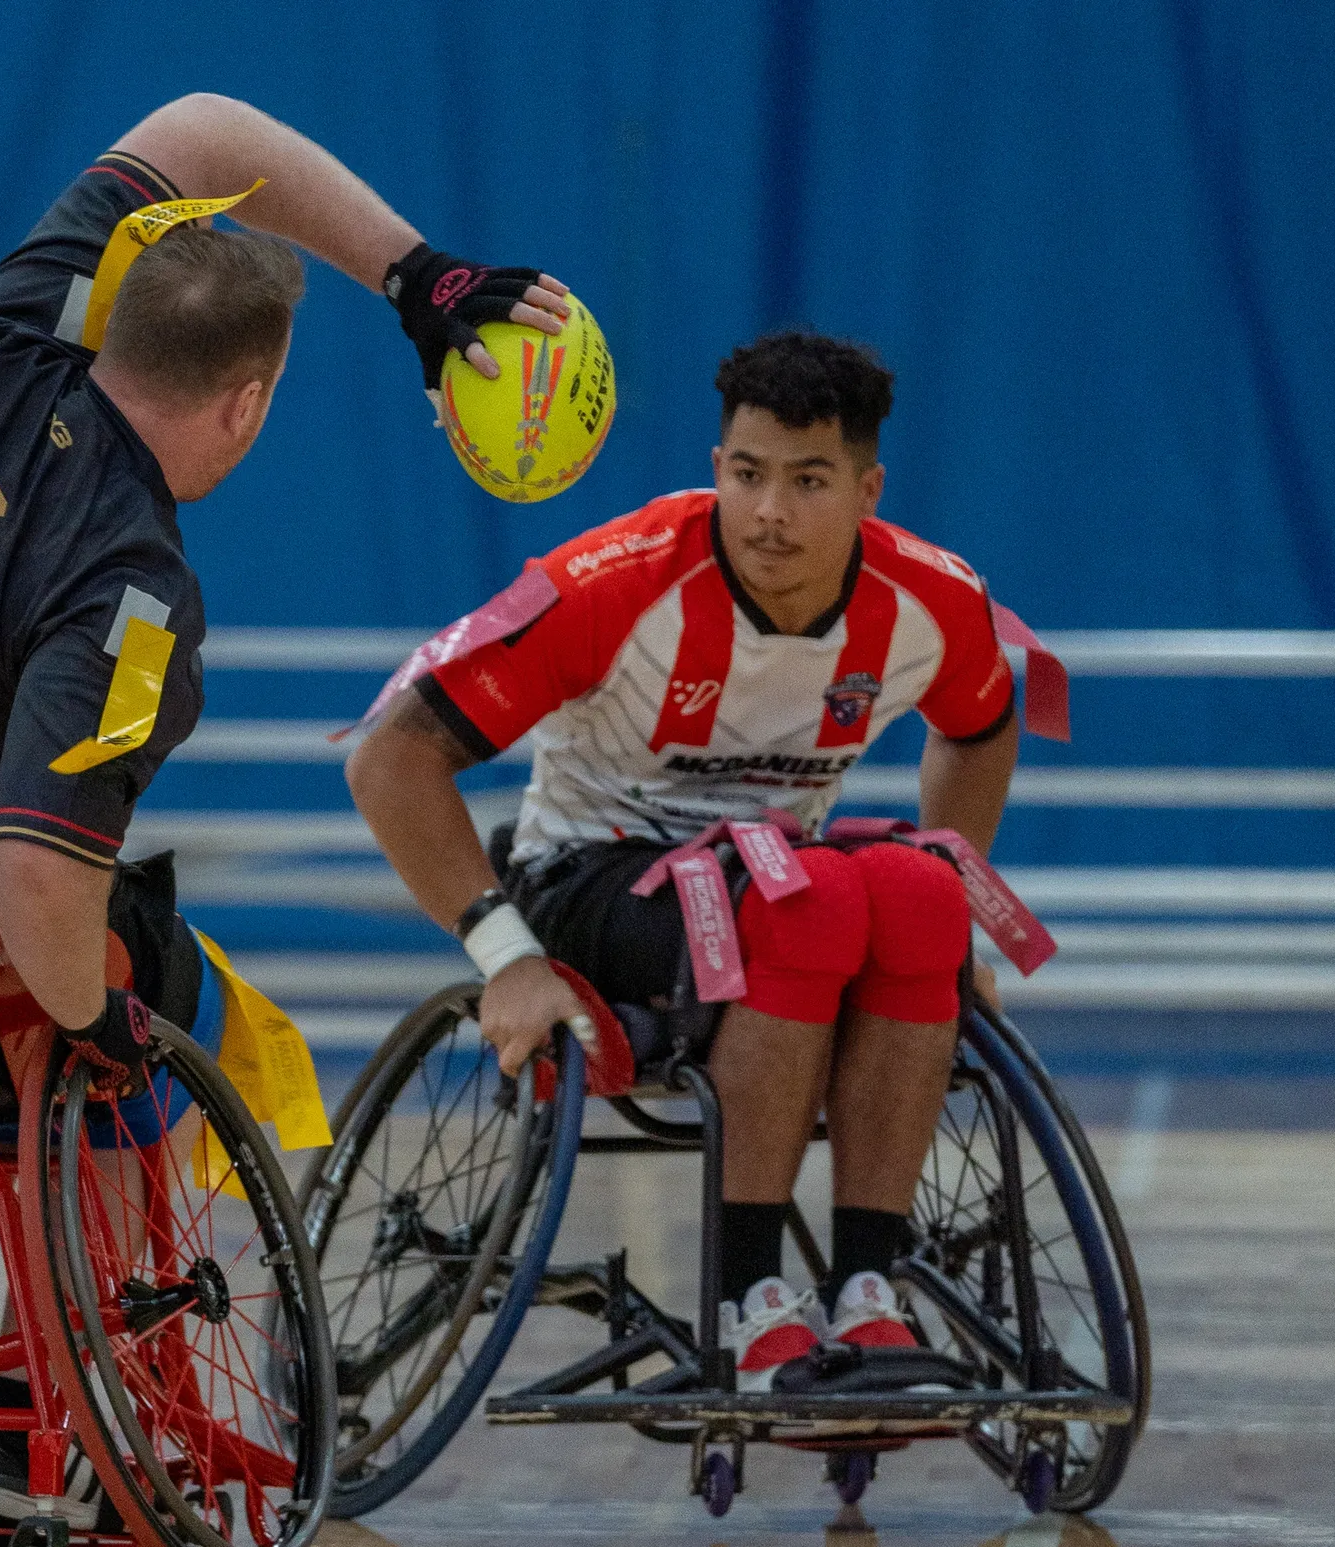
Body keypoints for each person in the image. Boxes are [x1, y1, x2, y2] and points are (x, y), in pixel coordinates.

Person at [0, 92, 571, 1528]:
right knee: (134, 996)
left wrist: (422, 273)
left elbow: (204, 122)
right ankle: (77, 1390)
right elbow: (43, 892)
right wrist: (101, 1020)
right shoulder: (132, 585)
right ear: (246, 403)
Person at [344, 332, 1024, 1393]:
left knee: (919, 896)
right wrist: (507, 955)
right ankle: (749, 1302)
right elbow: (392, 757)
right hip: (588, 879)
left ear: (866, 488)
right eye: (747, 475)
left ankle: (867, 1294)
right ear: (716, 469)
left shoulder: (931, 601)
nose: (769, 513)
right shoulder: (610, 584)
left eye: (808, 482)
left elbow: (981, 725)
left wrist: (958, 916)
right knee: (813, 905)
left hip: (788, 876)